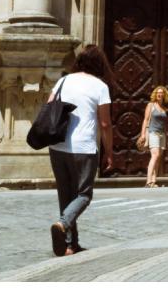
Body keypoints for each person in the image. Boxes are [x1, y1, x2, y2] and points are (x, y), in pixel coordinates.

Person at [47, 44, 116, 258]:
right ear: (100, 63)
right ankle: (63, 223)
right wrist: (109, 152)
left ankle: (70, 244)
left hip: (58, 145)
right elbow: (105, 124)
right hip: (84, 147)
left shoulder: (64, 80)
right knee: (83, 195)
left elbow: (49, 105)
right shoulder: (100, 86)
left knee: (65, 195)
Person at [138, 86, 168, 188]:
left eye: (161, 93)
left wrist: (167, 138)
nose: (160, 94)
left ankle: (153, 181)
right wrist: (143, 134)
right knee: (155, 155)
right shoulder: (151, 105)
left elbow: (165, 125)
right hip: (153, 133)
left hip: (162, 135)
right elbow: (146, 120)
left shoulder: (164, 108)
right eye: (158, 93)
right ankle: (148, 181)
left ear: (164, 95)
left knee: (158, 158)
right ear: (155, 94)